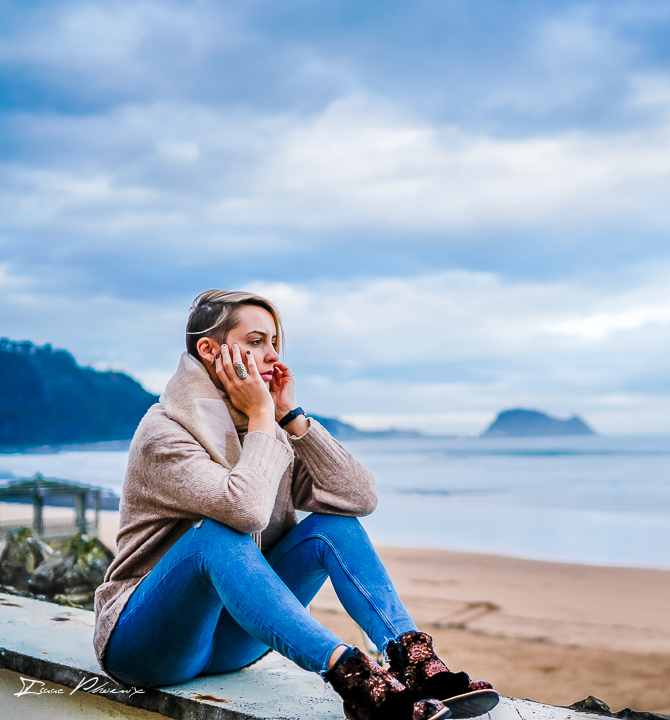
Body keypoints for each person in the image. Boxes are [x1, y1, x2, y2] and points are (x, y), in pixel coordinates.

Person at [93, 289, 498, 720]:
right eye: (255, 342)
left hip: (231, 641)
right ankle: (354, 679)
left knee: (333, 528)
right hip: (145, 643)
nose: (273, 357)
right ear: (210, 350)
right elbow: (245, 511)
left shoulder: (270, 427)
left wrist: (290, 416)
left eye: (274, 344)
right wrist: (264, 419)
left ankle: (411, 660)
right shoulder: (164, 432)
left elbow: (358, 498)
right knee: (215, 536)